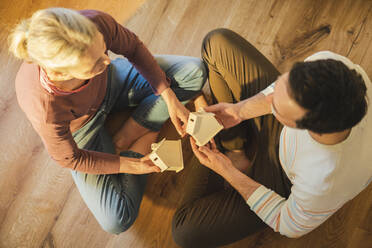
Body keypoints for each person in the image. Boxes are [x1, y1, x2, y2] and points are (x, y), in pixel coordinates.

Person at [9, 8, 206, 234]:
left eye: (103, 50)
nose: (107, 61)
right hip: (83, 129)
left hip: (113, 84)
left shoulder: (93, 23)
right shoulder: (44, 108)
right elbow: (69, 158)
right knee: (116, 220)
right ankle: (144, 129)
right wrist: (134, 165)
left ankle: (132, 133)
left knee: (196, 72)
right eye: (94, 64)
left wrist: (168, 96)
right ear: (61, 75)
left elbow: (132, 47)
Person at [172, 28, 372, 247]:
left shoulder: (323, 181)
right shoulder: (332, 65)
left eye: (276, 106)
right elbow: (274, 94)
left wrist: (227, 172)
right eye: (285, 81)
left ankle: (224, 143)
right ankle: (233, 146)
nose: (268, 99)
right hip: (285, 135)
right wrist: (238, 110)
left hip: (283, 179)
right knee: (216, 42)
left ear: (304, 127)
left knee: (184, 233)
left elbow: (288, 224)